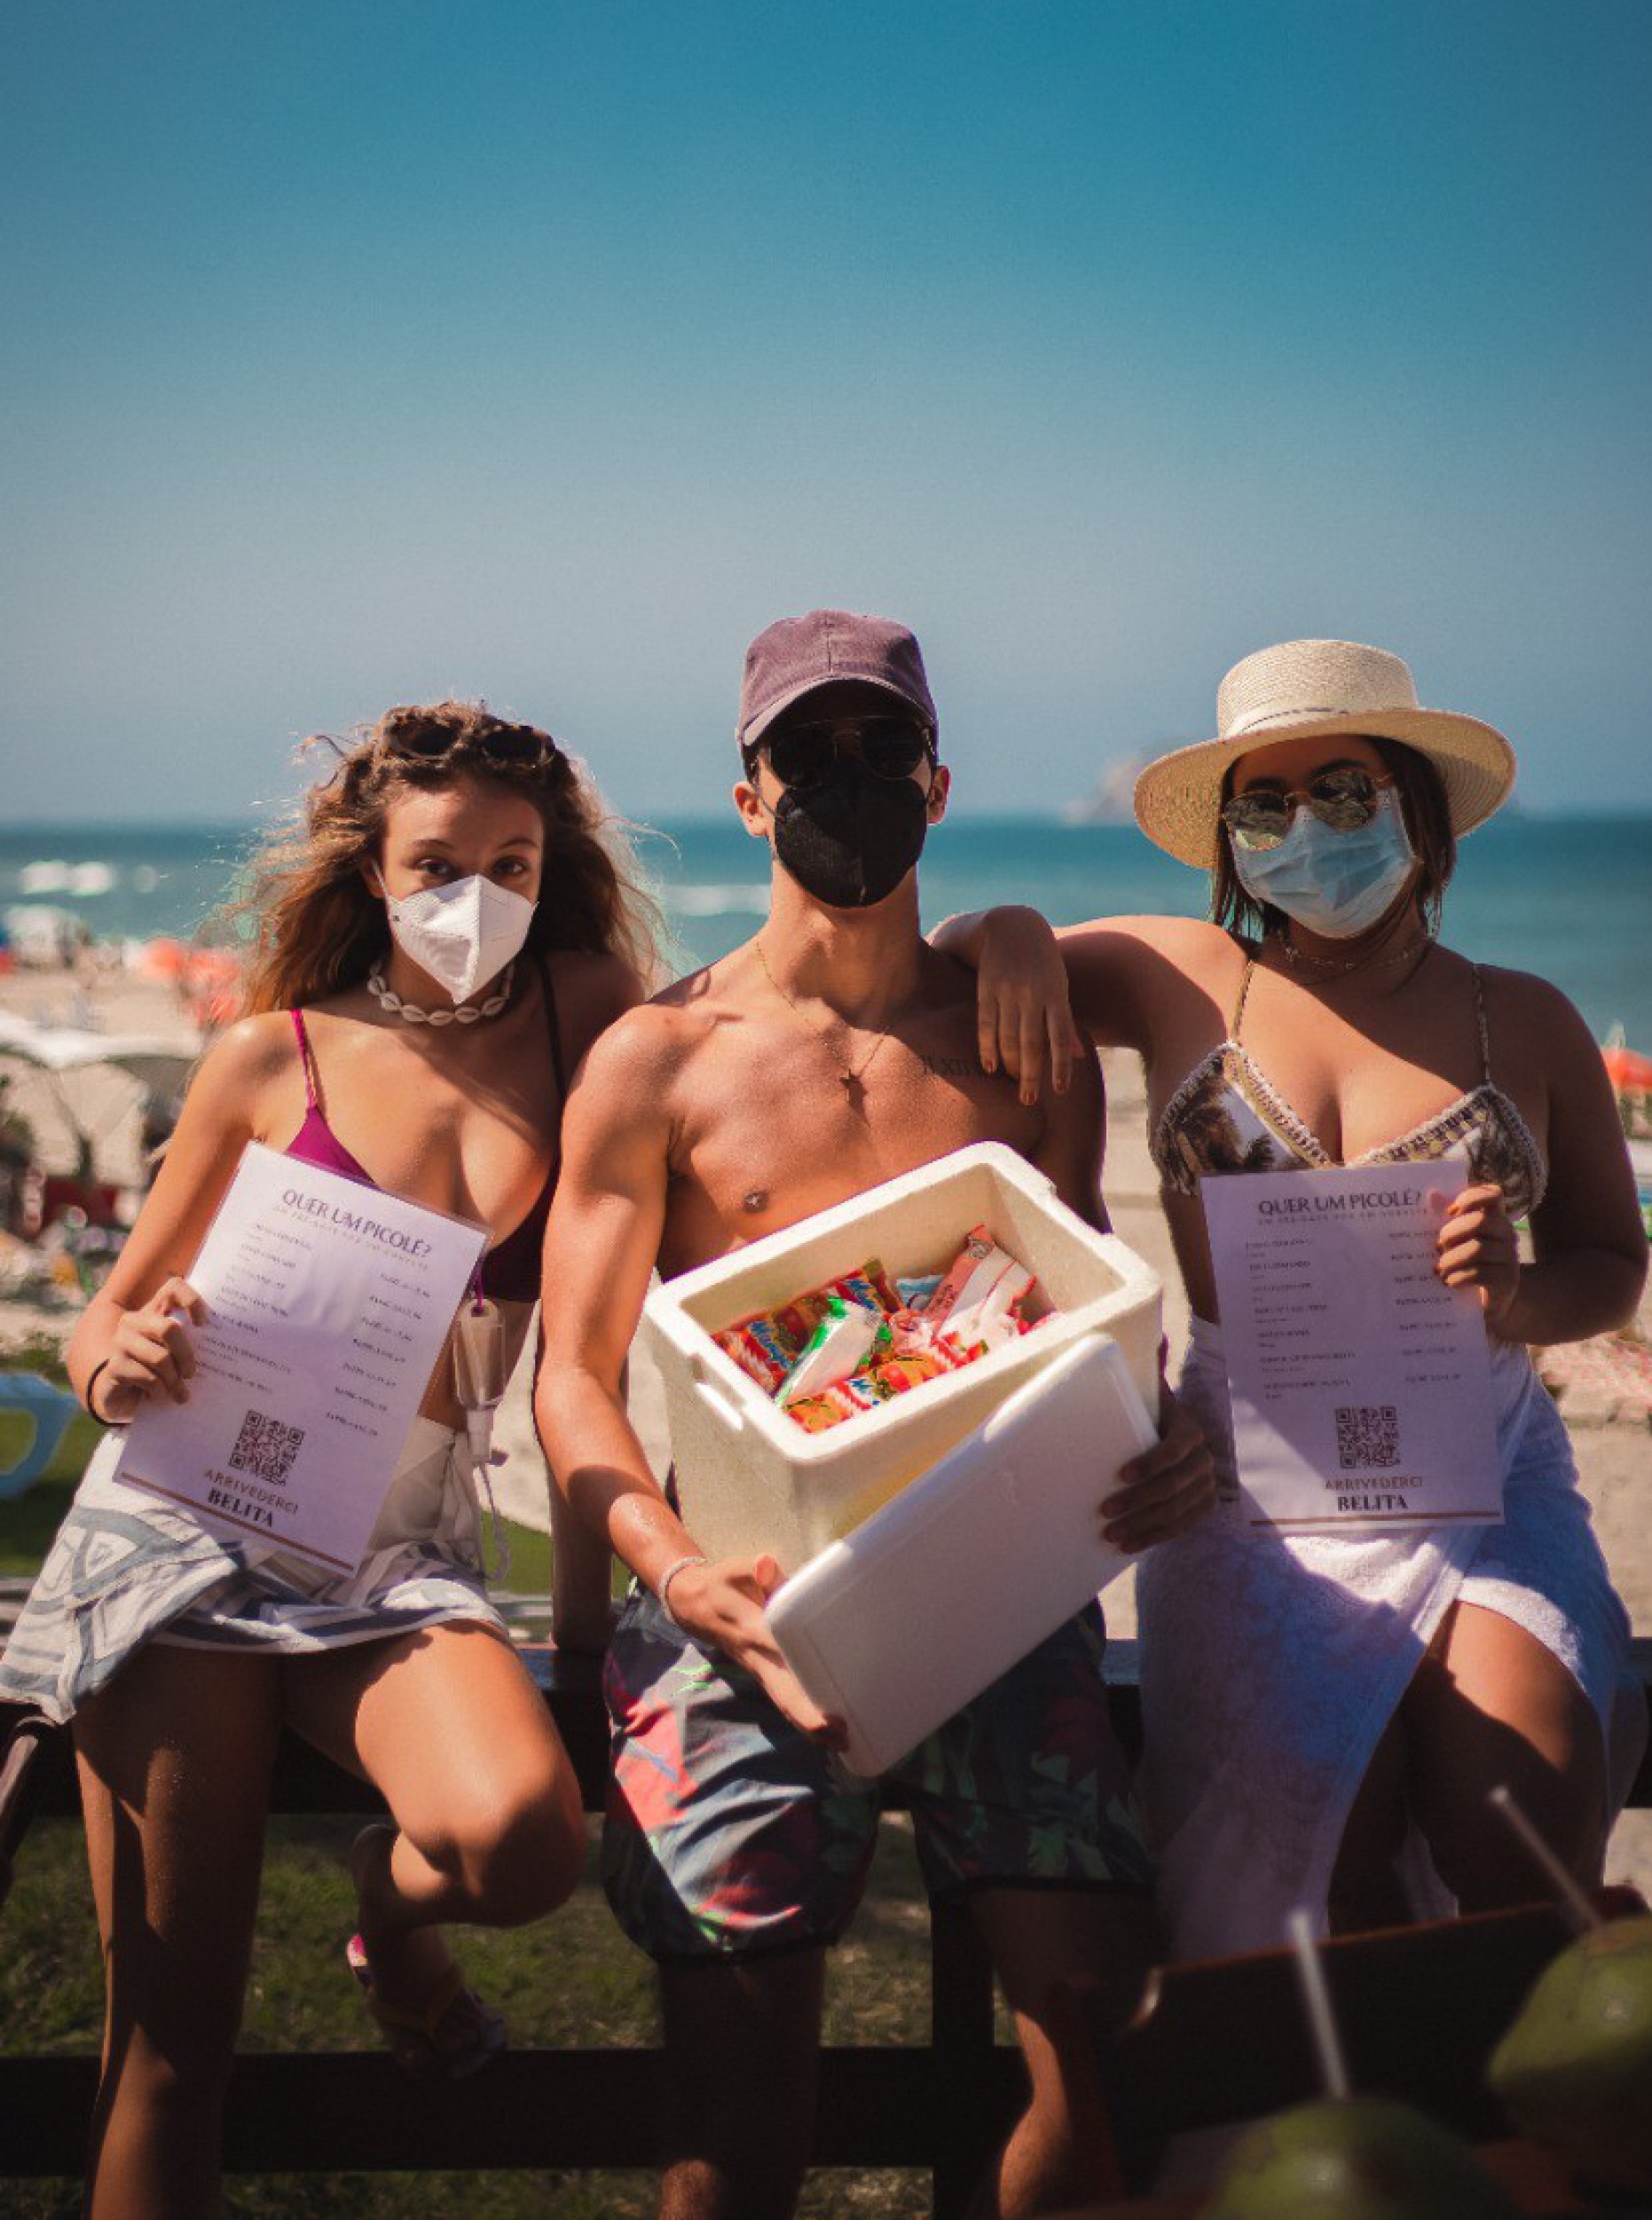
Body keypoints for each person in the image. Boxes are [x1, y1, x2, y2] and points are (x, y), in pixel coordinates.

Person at [534, 610, 1216, 2220]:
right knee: (735, 2093)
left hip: (1007, 1594)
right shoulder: (660, 1062)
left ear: (939, 774)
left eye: (880, 750)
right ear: (751, 793)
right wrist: (665, 1564)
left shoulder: (1019, 1031)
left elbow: (1078, 1306)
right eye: (807, 755)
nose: (849, 780)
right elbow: (570, 1370)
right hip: (737, 1606)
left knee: (1101, 2041)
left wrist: (1155, 1428)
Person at [0, 700, 655, 2220]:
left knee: (521, 1840)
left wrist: (1017, 943)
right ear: (370, 868)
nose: (476, 895)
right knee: (177, 2047)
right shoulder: (264, 1056)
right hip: (184, 1533)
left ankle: (386, 1901)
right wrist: (118, 1362)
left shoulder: (591, 1008)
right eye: (439, 862)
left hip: (397, 1545)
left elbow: (767, 1028)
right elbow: (104, 1318)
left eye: (514, 860)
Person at [935, 638, 1648, 1957]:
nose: (1305, 828)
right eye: (1264, 804)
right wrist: (1020, 930)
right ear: (1228, 837)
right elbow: (960, 948)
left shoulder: (1531, 1020)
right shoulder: (1184, 974)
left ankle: (1515, 2123)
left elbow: (1613, 1266)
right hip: (1247, 1480)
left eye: (1343, 789)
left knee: (1522, 1799)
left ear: (1416, 806)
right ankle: (1358, 2125)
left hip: (1482, 1468)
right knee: (1327, 1847)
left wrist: (1516, 1294)